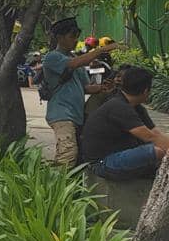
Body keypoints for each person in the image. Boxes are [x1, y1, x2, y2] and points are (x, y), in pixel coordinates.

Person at [42, 17, 119, 166]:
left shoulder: (75, 59)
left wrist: (102, 88)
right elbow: (73, 64)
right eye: (72, 36)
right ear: (59, 37)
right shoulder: (53, 57)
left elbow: (85, 87)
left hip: (76, 114)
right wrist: (101, 50)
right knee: (67, 154)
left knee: (75, 156)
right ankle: (57, 187)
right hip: (61, 113)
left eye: (77, 36)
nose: (76, 40)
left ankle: (66, 185)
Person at [81, 66, 169, 180]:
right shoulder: (118, 107)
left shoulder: (136, 107)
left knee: (161, 147)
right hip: (102, 163)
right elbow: (150, 137)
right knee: (156, 152)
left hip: (119, 154)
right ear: (146, 91)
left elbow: (156, 134)